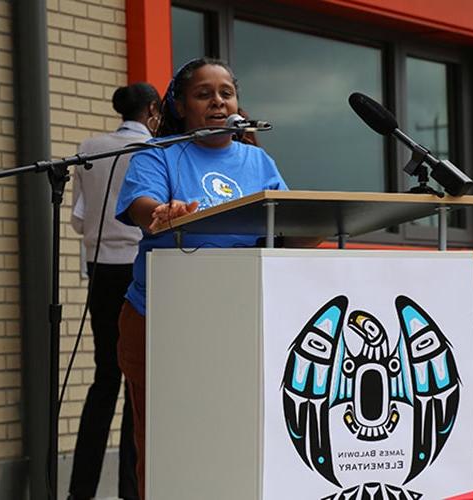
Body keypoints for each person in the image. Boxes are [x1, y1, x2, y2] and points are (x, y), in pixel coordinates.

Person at [115, 57, 288, 500]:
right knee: (164, 441)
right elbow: (144, 208)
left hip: (236, 320)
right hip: (162, 319)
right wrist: (160, 212)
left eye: (226, 92)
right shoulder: (159, 154)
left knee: (232, 436)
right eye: (203, 94)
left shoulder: (258, 159)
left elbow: (290, 226)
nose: (217, 101)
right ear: (179, 105)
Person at [68, 82, 161, 500]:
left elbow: (77, 218)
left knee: (105, 375)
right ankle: (130, 489)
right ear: (153, 111)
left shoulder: (89, 146)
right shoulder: (156, 149)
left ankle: (80, 490)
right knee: (136, 377)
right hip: (140, 269)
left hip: (99, 269)